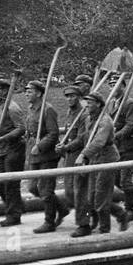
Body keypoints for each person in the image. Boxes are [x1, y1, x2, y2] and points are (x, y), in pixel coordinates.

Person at [74, 92, 129, 236]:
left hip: (107, 160)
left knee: (101, 197)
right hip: (95, 160)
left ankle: (105, 229)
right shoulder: (88, 119)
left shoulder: (105, 121)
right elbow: (86, 138)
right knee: (92, 198)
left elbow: (99, 141)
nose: (87, 105)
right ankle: (121, 213)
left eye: (90, 102)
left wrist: (83, 154)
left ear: (98, 104)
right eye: (86, 102)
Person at [44, 85, 86, 233]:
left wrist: (66, 147)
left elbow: (82, 138)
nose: (69, 99)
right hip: (69, 155)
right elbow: (68, 132)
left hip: (80, 155)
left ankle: (85, 222)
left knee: (79, 190)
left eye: (72, 96)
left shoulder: (84, 114)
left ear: (79, 97)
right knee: (69, 192)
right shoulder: (70, 112)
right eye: (67, 96)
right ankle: (91, 213)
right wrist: (62, 144)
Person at [23, 79, 60, 228]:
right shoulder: (31, 108)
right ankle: (62, 208)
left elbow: (53, 133)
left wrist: (40, 146)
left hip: (47, 155)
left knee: (45, 189)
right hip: (33, 153)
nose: (26, 94)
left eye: (29, 91)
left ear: (38, 93)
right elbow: (30, 128)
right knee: (32, 187)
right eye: (26, 91)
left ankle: (49, 221)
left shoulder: (48, 109)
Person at [0, 77, 27, 226]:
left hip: (14, 148)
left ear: (6, 90)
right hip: (1, 149)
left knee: (11, 184)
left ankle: (13, 216)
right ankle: (18, 206)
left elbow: (21, 128)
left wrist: (4, 138)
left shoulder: (12, 107)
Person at [108, 77, 133, 216]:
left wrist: (115, 135)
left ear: (123, 86)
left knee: (124, 180)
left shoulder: (130, 103)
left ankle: (129, 210)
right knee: (117, 179)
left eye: (115, 85)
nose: (113, 88)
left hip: (130, 145)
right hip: (116, 147)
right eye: (110, 85)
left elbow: (130, 125)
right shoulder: (111, 103)